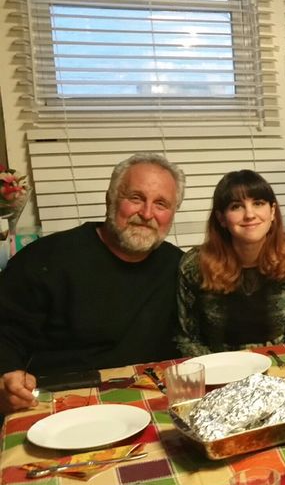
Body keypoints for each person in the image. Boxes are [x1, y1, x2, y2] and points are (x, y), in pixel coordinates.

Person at [0, 153, 185, 413]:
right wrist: (7, 375)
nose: (146, 213)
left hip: (150, 403)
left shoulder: (180, 266)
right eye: (135, 198)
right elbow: (6, 332)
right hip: (59, 404)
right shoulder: (45, 259)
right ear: (110, 198)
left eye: (161, 204)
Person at [176, 170, 285, 356]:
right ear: (221, 218)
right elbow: (186, 338)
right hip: (218, 367)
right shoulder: (193, 266)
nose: (249, 215)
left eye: (258, 203)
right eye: (236, 206)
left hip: (280, 363)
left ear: (272, 212)